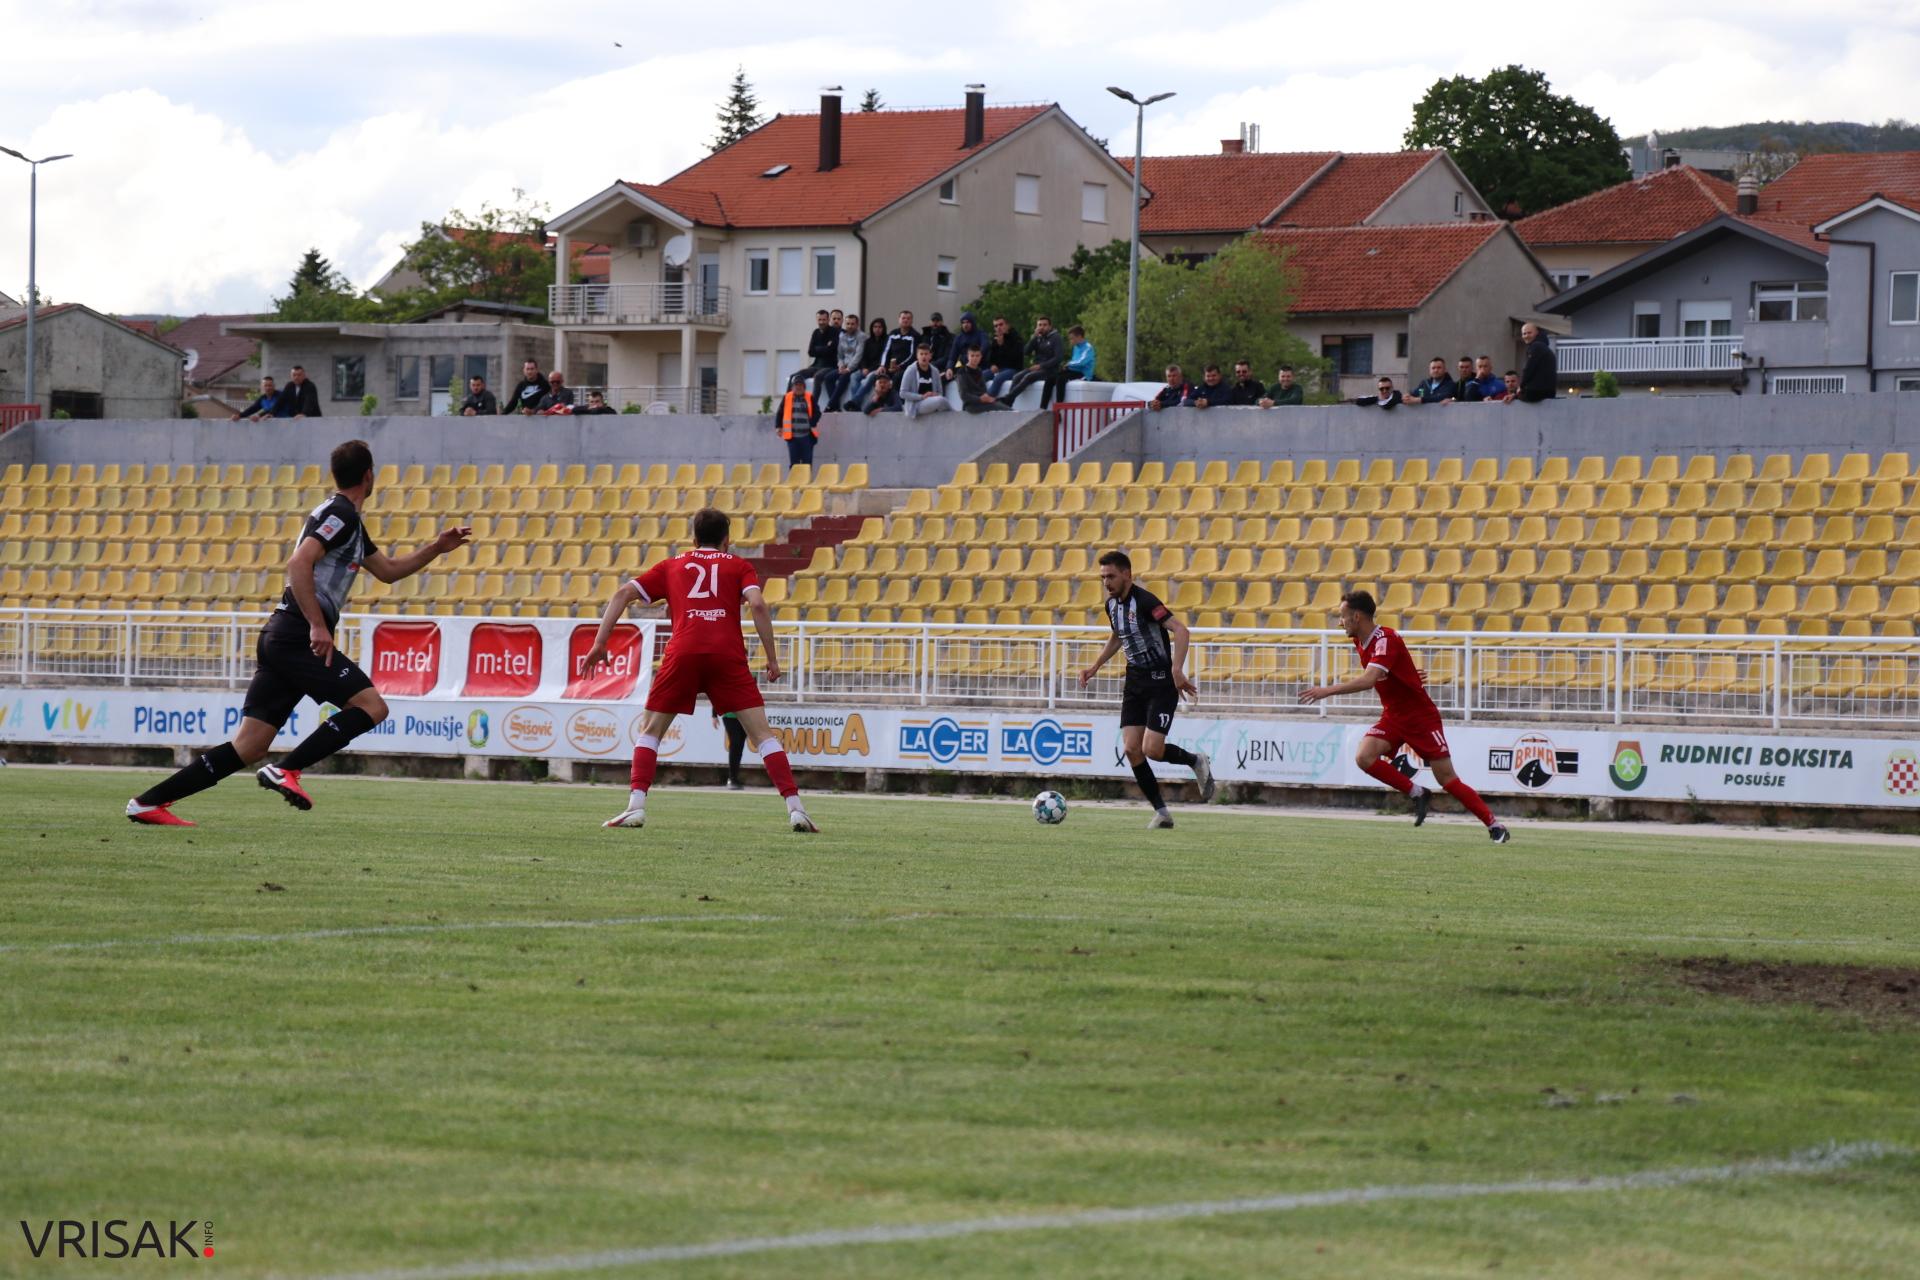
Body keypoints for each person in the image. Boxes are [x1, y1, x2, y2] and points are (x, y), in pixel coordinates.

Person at [125, 440, 471, 826]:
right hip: (296, 634)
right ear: (370, 476)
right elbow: (299, 562)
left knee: (250, 745)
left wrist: (437, 548)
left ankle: (148, 803)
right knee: (372, 707)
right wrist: (318, 626)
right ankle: (287, 769)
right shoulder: (340, 514)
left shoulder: (348, 522)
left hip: (282, 635)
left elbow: (388, 571)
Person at [589, 507, 816, 833]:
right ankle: (796, 809)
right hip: (727, 655)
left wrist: (600, 643)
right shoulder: (739, 565)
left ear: (694, 539)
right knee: (763, 735)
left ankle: (635, 807)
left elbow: (622, 594)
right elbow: (758, 604)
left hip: (683, 652)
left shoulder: (672, 565)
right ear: (727, 540)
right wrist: (772, 658)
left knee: (650, 731)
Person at [1299, 590, 1509, 843]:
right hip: (1394, 715)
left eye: (1342, 617)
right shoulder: (1360, 640)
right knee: (1364, 757)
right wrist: (1407, 674)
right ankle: (1418, 792)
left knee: (1447, 779)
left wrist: (1326, 691)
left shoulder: (1385, 640)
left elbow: (1369, 680)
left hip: (1420, 717)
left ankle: (1494, 825)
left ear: (1356, 616)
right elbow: (1391, 668)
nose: (1339, 622)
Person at [1077, 550, 1215, 828]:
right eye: (1102, 577)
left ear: (1127, 574)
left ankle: (1195, 760)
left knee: (1152, 749)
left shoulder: (1146, 601)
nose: (1106, 582)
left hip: (1161, 681)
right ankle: (1162, 813)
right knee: (1131, 749)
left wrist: (1177, 669)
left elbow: (1181, 630)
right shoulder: (1111, 606)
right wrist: (1095, 667)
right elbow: (1118, 635)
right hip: (1135, 682)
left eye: (1111, 576)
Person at [1000, 315, 1064, 407]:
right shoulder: (1038, 338)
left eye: (1044, 325)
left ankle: (1008, 399)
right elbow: (1025, 352)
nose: (1042, 327)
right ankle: (1009, 402)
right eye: (1039, 325)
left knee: (1029, 377)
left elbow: (1058, 357)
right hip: (1037, 368)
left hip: (1050, 369)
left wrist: (1041, 366)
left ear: (1050, 326)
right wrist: (1034, 337)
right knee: (1016, 377)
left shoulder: (1056, 338)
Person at [820, 313, 864, 411]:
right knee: (828, 378)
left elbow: (858, 356)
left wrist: (849, 369)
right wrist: (840, 366)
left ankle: (830, 405)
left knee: (844, 377)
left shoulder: (861, 337)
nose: (850, 326)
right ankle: (836, 406)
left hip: (856, 366)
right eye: (848, 324)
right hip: (844, 366)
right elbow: (839, 355)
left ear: (857, 325)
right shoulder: (842, 337)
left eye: (852, 324)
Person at [773, 375, 818, 465]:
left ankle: (806, 479)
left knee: (807, 463)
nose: (798, 387)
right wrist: (778, 427)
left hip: (807, 437)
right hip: (792, 437)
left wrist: (813, 422)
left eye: (800, 385)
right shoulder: (787, 398)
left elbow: (817, 412)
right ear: (792, 387)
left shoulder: (810, 397)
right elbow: (780, 413)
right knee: (794, 464)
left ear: (804, 387)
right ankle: (794, 479)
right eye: (796, 385)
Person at [954, 344, 1012, 412]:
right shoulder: (962, 372)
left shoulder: (979, 371)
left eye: (977, 356)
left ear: (981, 357)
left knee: (1002, 405)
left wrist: (987, 398)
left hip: (983, 403)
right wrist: (980, 399)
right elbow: (964, 395)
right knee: (1000, 408)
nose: (975, 358)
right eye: (972, 356)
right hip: (970, 406)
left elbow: (983, 390)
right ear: (968, 357)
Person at [900, 344, 951, 419]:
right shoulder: (910, 370)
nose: (924, 356)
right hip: (916, 405)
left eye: (926, 354)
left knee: (941, 400)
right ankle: (956, 416)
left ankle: (953, 417)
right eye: (921, 354)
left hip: (932, 402)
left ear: (930, 356)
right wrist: (922, 397)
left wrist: (934, 394)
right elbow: (902, 393)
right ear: (917, 356)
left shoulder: (935, 371)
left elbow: (940, 392)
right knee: (941, 400)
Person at [846, 317, 888, 410]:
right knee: (854, 376)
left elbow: (883, 359)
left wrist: (870, 370)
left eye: (880, 327)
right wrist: (864, 368)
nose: (877, 329)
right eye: (875, 327)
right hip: (866, 368)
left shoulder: (887, 341)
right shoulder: (868, 342)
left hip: (878, 370)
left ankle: (854, 402)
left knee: (869, 377)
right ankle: (856, 404)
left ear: (883, 328)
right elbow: (863, 357)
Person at [1050, 324, 1095, 403]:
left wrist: (1069, 364)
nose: (1071, 341)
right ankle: (1043, 407)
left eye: (1072, 338)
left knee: (1061, 379)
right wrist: (1067, 367)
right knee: (1051, 378)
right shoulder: (1076, 347)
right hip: (1075, 371)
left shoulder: (1088, 347)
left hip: (1084, 374)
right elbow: (1075, 362)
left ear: (1079, 336)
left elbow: (1082, 362)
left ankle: (1059, 406)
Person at [985, 316, 1023, 399]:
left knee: (998, 378)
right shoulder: (995, 339)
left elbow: (1015, 358)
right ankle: (975, 398)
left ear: (1007, 325)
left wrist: (1002, 345)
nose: (998, 328)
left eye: (1001, 325)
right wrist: (992, 365)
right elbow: (990, 357)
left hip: (1013, 369)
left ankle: (987, 400)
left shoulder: (1016, 338)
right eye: (996, 326)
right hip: (999, 368)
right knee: (981, 375)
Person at [1518, 322, 1557, 402]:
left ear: (1537, 333)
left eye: (1529, 333)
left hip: (1536, 392)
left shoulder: (1536, 346)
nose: (1526, 336)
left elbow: (1529, 368)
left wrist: (1521, 386)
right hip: (1549, 391)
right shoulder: (1545, 347)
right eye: (1524, 334)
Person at [879, 310, 920, 377]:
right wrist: (882, 365)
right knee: (876, 375)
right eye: (903, 318)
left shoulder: (915, 336)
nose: (905, 320)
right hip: (889, 367)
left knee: (897, 377)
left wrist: (900, 366)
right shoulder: (893, 333)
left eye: (908, 318)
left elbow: (913, 355)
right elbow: (886, 351)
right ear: (899, 319)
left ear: (912, 321)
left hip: (905, 368)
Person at [717, 711, 749, 789]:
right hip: (730, 715)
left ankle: (734, 778)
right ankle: (732, 778)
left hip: (745, 716)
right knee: (735, 744)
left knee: (740, 746)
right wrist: (714, 715)